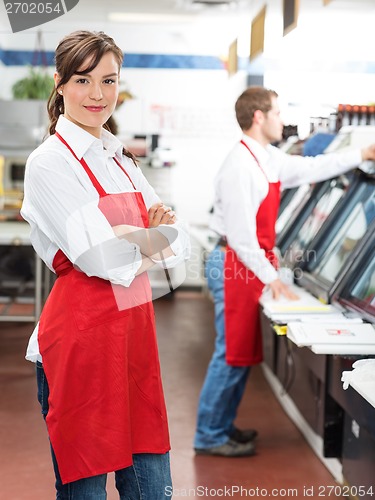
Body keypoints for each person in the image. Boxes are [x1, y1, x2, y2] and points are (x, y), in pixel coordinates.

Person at [21, 30, 190, 499]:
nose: (97, 94)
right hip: (79, 345)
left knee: (152, 489)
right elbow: (103, 261)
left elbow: (180, 247)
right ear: (59, 83)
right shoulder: (49, 163)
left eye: (109, 80)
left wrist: (133, 241)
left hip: (135, 338)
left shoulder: (122, 158)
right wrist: (146, 243)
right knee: (86, 491)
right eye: (82, 79)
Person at [194, 86, 375, 457]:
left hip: (245, 264)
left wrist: (361, 153)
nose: (282, 119)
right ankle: (208, 434)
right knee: (230, 354)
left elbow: (311, 168)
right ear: (258, 117)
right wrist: (273, 279)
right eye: (277, 112)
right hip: (234, 263)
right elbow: (243, 239)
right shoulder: (239, 166)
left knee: (239, 354)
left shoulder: (265, 158)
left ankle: (221, 426)